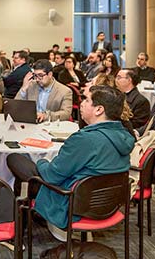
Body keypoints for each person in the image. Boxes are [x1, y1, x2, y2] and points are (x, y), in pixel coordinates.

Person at [7, 85, 134, 234]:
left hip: (72, 203)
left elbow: (51, 176)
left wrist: (41, 160)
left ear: (99, 110)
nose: (81, 103)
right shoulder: (124, 136)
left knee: (15, 158)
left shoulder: (85, 139)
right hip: (107, 204)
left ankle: (18, 230)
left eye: (86, 100)